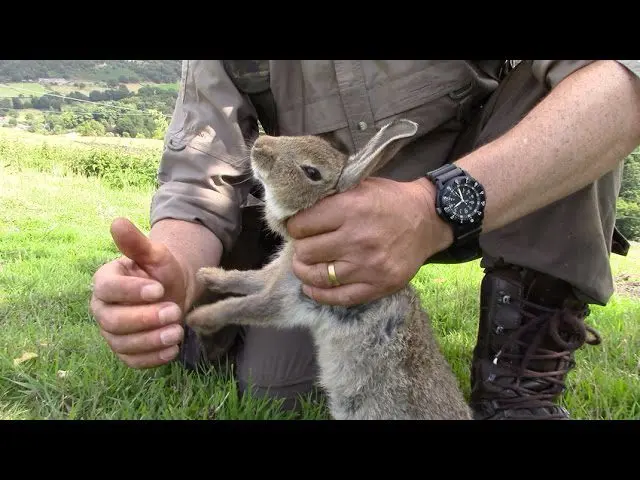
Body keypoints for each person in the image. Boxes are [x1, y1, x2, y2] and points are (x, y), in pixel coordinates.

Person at [89, 60, 640, 420]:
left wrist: (433, 206)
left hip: (481, 185)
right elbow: (199, 171)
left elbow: (623, 81)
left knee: (577, 89)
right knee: (274, 387)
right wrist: (178, 272)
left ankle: (517, 380)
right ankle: (203, 336)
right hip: (323, 224)